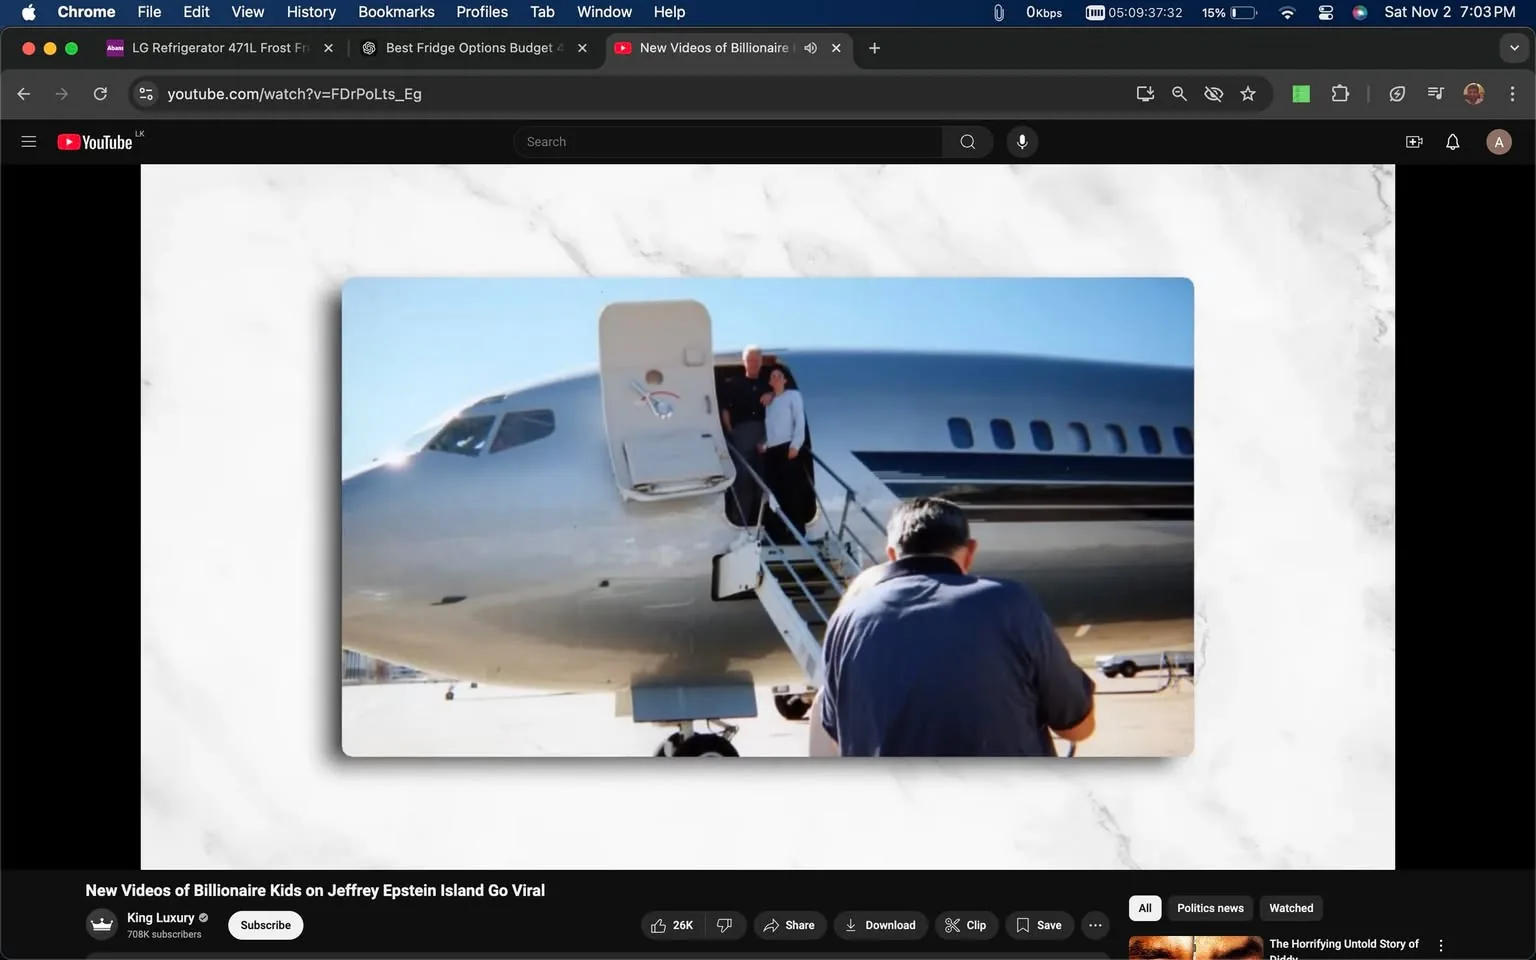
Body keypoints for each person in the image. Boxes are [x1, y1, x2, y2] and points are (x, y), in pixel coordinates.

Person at [815, 497, 1097, 757]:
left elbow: (838, 734)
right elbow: (1077, 727)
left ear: (891, 554)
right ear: (970, 551)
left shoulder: (846, 617)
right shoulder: (1009, 602)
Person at [719, 345, 778, 525]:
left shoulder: (768, 384)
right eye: (750, 360)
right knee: (742, 479)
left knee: (764, 478)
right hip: (741, 433)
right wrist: (730, 431)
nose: (753, 364)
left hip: (764, 434)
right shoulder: (733, 383)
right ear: (744, 362)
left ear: (761, 362)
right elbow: (725, 409)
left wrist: (773, 394)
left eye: (756, 360)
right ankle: (741, 520)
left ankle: (763, 522)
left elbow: (784, 397)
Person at [757, 367, 812, 543]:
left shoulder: (793, 396)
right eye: (772, 376)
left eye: (778, 376)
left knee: (792, 491)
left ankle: (797, 532)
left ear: (785, 380)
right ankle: (777, 532)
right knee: (775, 492)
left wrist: (796, 444)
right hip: (773, 451)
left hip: (788, 448)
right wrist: (765, 444)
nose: (775, 378)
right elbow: (772, 428)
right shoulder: (770, 402)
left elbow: (799, 420)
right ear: (770, 382)